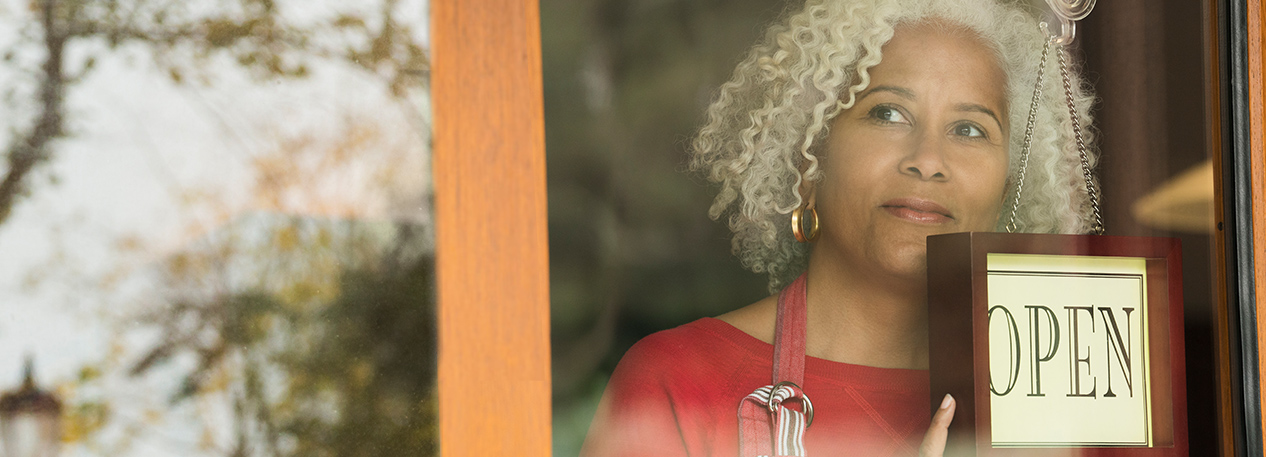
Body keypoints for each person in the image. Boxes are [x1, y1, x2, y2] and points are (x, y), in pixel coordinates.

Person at [580, 0, 1098, 455]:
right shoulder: (677, 382)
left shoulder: (1060, 399)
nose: (927, 159)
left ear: (1009, 189)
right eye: (888, 113)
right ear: (809, 165)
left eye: (969, 129)